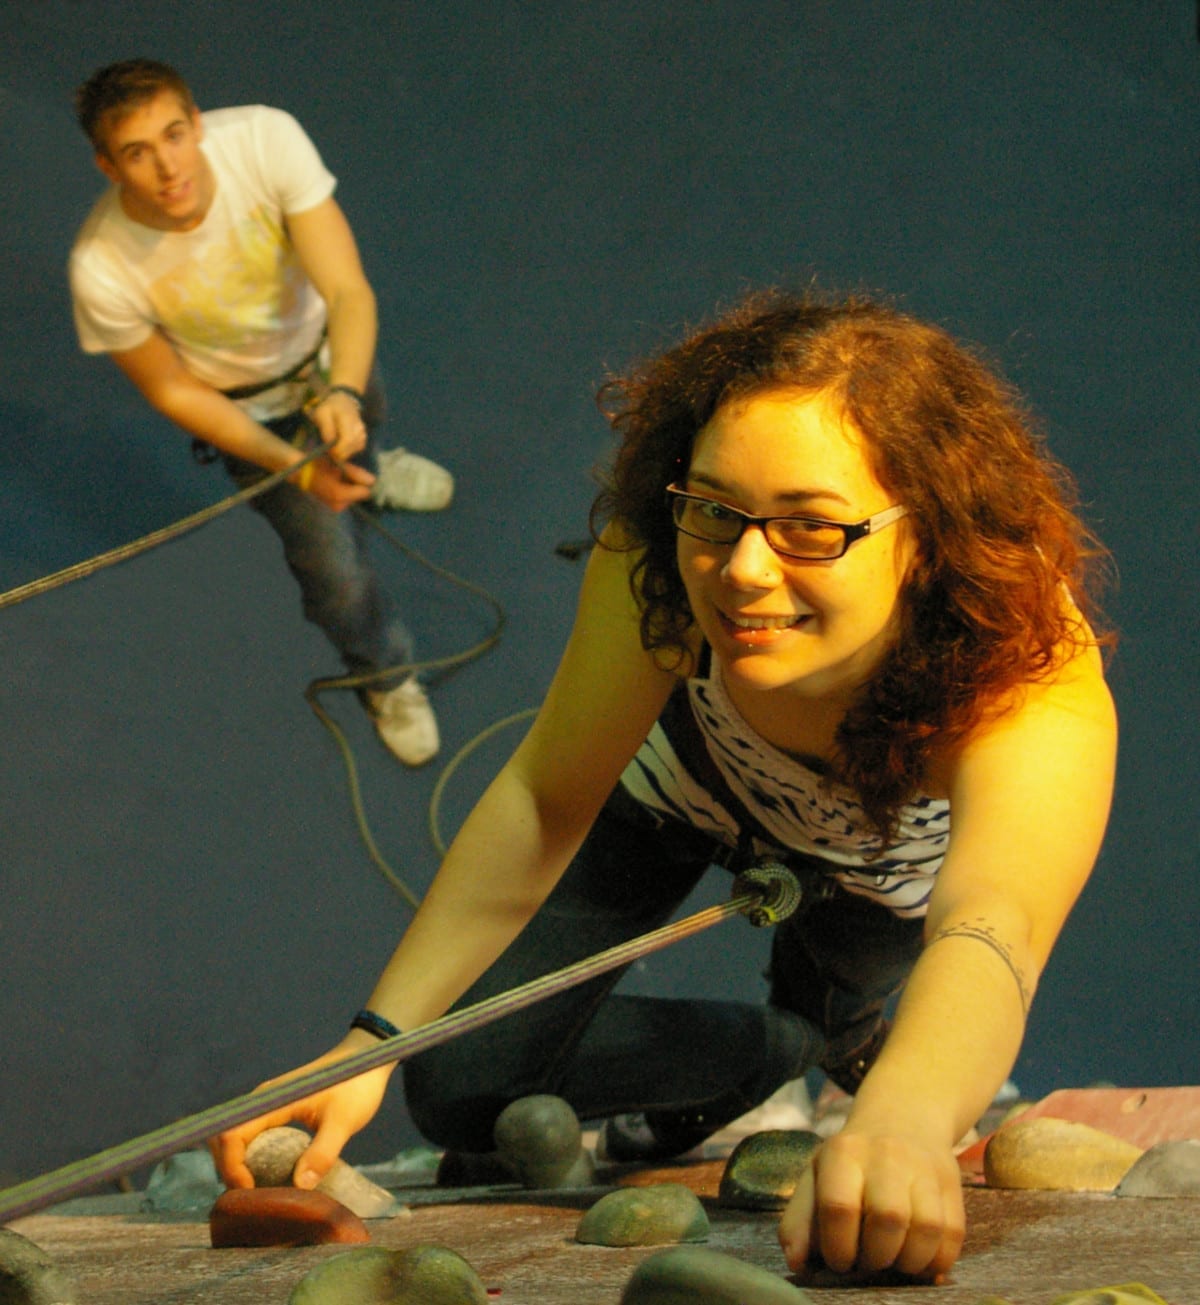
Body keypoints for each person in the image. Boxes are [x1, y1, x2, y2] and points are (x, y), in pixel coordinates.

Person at [213, 291, 1117, 1280]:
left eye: (812, 529)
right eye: (716, 510)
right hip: (682, 794)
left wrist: (901, 1123)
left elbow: (994, 924)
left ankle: (822, 1044)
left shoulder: (1020, 671)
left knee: (860, 1044)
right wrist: (367, 1047)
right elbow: (545, 797)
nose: (742, 571)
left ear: (926, 538)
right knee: (459, 1079)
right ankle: (771, 1051)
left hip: (875, 875)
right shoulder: (660, 557)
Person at [69, 59, 451, 765]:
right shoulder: (101, 267)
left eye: (175, 135)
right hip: (252, 417)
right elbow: (173, 392)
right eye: (137, 153)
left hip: (334, 361)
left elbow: (348, 292)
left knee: (366, 426)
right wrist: (292, 470)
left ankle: (375, 469)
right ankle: (387, 672)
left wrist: (340, 390)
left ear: (198, 123)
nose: (167, 167)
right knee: (335, 576)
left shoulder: (266, 140)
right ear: (106, 165)